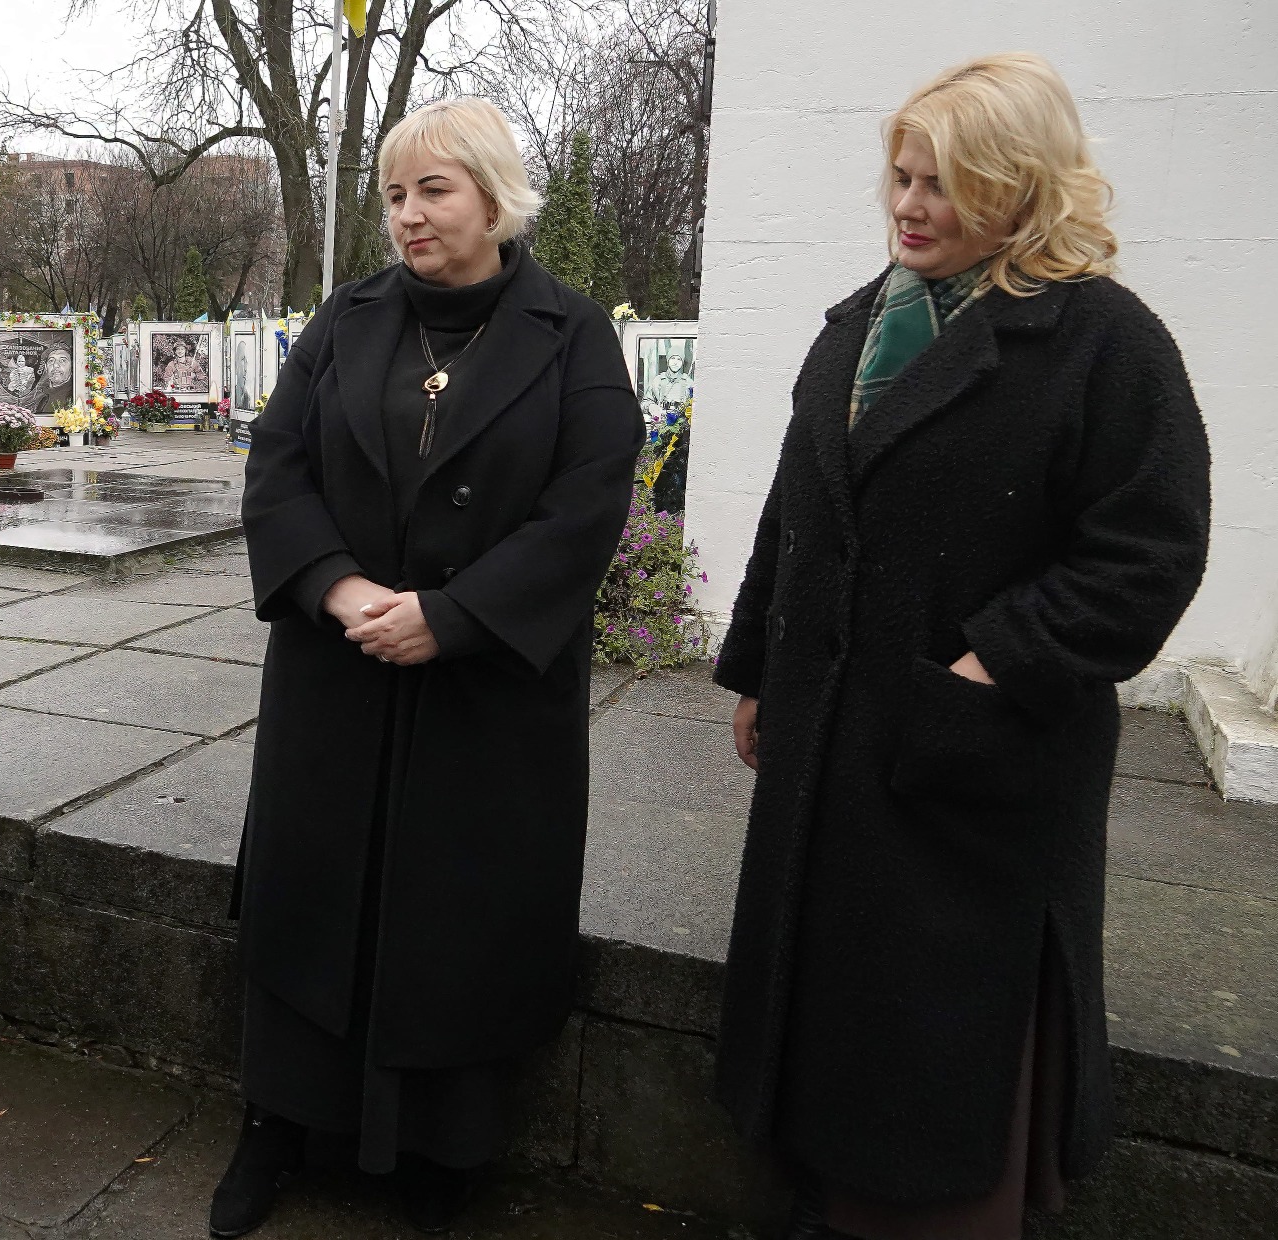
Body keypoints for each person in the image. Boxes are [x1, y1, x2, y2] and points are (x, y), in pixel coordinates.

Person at [711, 54, 1211, 1240]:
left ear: (1021, 184)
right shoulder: (856, 325)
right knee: (825, 1002)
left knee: (932, 1042)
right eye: (899, 176)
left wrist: (993, 667)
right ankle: (821, 1203)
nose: (907, 204)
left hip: (973, 768)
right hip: (829, 742)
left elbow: (1148, 549)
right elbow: (796, 511)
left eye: (941, 182)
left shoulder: (1101, 342)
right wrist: (754, 671)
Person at [216, 96, 642, 1237]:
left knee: (458, 920)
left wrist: (454, 617)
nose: (408, 214)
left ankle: (442, 1154)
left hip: (482, 693)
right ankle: (274, 1122)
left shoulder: (572, 335)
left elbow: (587, 503)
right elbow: (276, 463)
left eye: (433, 191)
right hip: (338, 672)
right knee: (310, 901)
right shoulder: (346, 318)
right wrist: (336, 587)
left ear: (494, 199)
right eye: (395, 195)